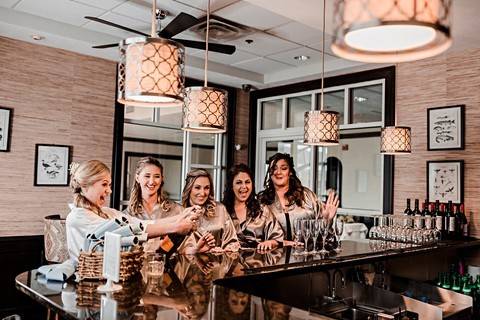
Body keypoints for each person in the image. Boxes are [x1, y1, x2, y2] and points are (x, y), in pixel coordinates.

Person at [66, 160, 197, 264]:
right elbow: (126, 233)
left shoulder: (107, 212)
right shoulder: (78, 216)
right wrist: (176, 227)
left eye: (109, 185)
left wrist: (182, 215)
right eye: (104, 184)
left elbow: (142, 224)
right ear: (85, 185)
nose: (109, 191)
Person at [258, 153, 339, 241]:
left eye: (284, 168)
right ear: (270, 173)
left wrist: (328, 220)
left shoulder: (307, 195)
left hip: (306, 253)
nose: (278, 172)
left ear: (290, 172)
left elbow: (322, 237)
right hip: (275, 254)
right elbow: (256, 235)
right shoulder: (262, 200)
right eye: (274, 169)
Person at [124, 157, 184, 252]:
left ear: (161, 179)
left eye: (156, 176)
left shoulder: (177, 210)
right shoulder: (127, 215)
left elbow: (187, 245)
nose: (152, 182)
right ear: (137, 178)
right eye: (147, 176)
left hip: (169, 265)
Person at [222, 164, 283, 250]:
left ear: (252, 185)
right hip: (229, 261)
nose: (244, 187)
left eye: (247, 182)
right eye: (239, 182)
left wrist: (270, 242)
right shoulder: (222, 210)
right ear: (231, 186)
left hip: (258, 261)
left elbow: (277, 237)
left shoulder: (262, 209)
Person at [181, 168, 239, 253]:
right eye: (197, 188)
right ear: (189, 189)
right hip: (188, 264)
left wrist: (225, 250)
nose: (202, 193)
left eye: (206, 188)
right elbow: (175, 249)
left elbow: (232, 241)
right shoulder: (180, 212)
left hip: (217, 263)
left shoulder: (220, 209)